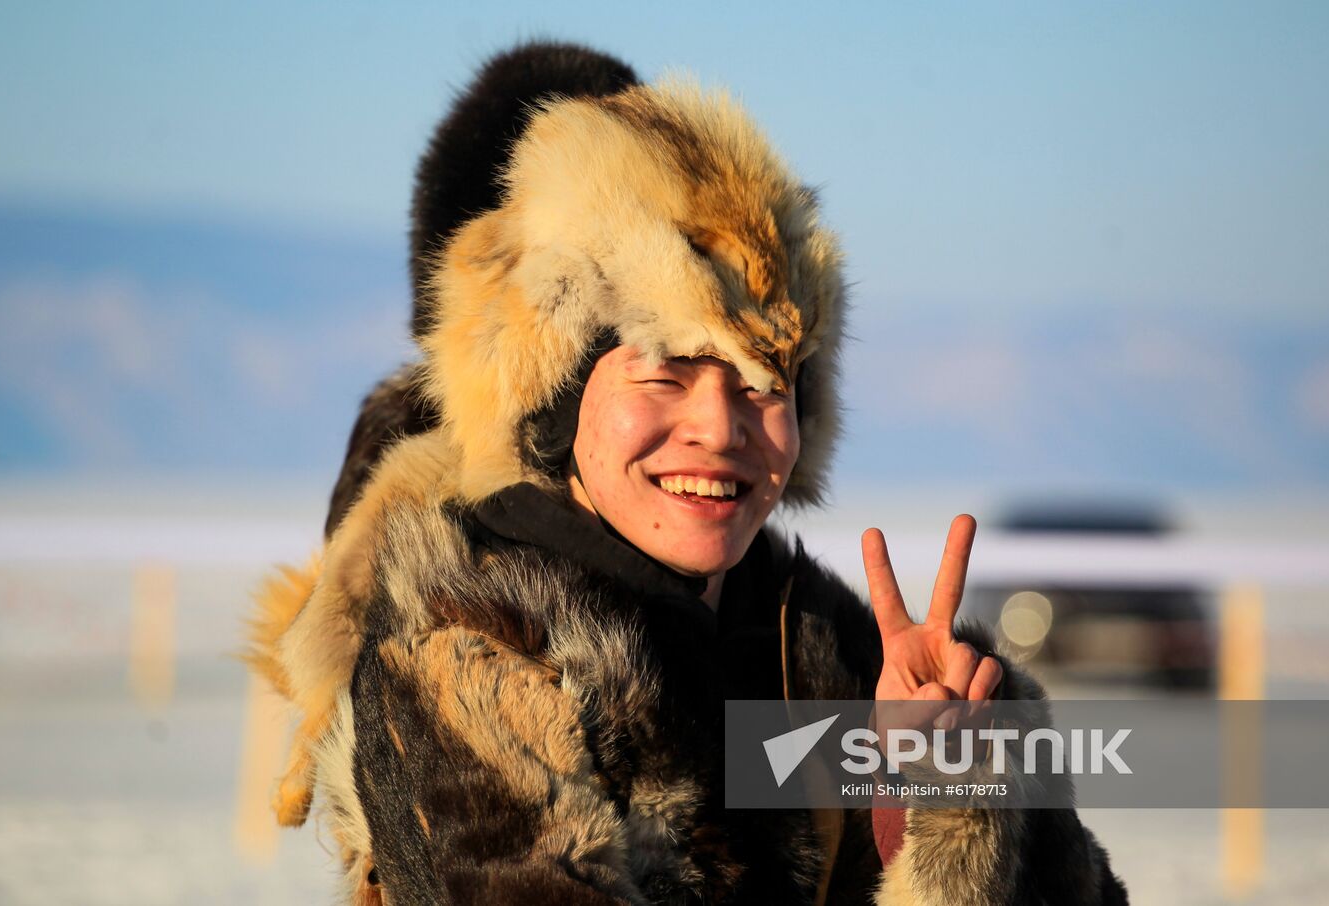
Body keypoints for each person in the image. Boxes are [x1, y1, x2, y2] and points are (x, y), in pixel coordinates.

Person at [245, 42, 1129, 905]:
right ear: (556, 396)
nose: (718, 426)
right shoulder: (467, 649)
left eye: (762, 381)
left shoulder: (814, 641)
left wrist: (942, 789)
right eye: (666, 366)